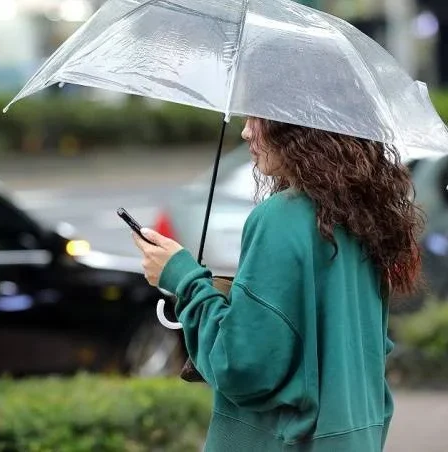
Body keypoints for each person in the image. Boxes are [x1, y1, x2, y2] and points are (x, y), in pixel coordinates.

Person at [131, 116, 424, 451]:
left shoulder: (280, 218)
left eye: (258, 119)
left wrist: (182, 277)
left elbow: (243, 366)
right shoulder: (364, 220)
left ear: (299, 126)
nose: (245, 131)